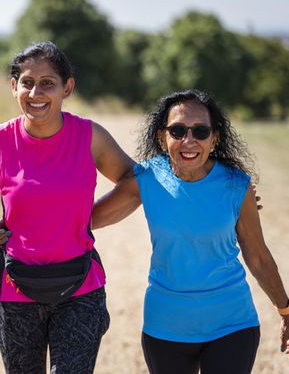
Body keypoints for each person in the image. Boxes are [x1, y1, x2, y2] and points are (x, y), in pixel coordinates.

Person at [0, 41, 135, 373]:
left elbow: (136, 182)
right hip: (15, 289)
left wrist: (89, 218)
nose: (36, 92)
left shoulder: (89, 137)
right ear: (14, 87)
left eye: (48, 83)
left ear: (67, 87)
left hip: (80, 288)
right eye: (27, 82)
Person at [88, 90, 289, 373]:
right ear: (162, 136)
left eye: (201, 131)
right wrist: (18, 222)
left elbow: (257, 255)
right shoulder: (147, 178)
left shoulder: (236, 185)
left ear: (215, 137)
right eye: (178, 130)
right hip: (165, 326)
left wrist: (285, 309)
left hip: (231, 323)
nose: (189, 140)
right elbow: (87, 219)